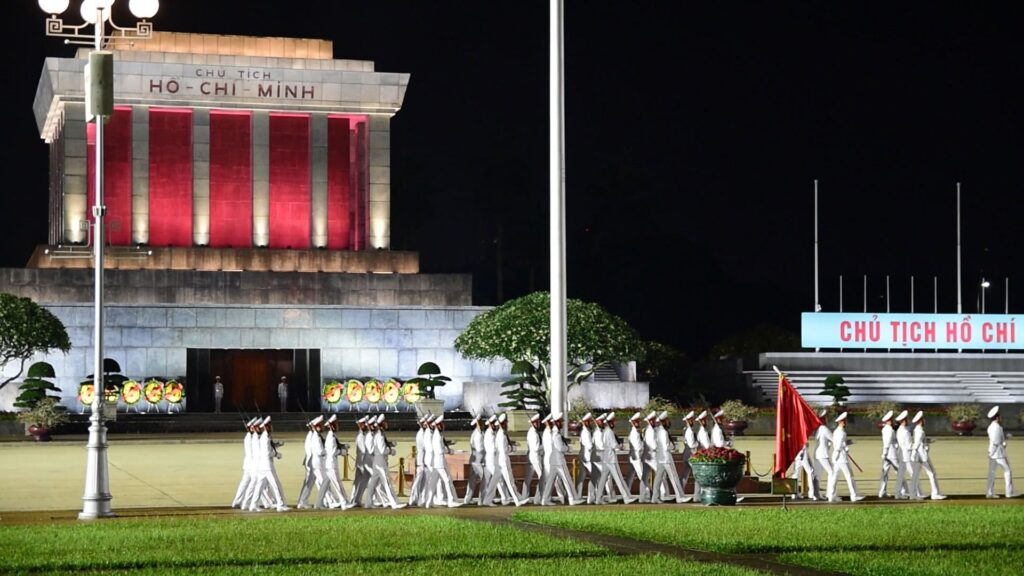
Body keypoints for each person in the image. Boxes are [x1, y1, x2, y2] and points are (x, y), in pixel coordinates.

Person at [247, 416, 289, 512]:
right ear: (267, 427)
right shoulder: (265, 437)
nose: (271, 427)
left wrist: (277, 445)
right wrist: (277, 454)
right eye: (270, 425)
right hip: (267, 465)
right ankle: (281, 504)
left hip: (263, 465)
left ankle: (253, 505)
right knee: (276, 485)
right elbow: (267, 453)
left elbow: (269, 448)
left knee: (260, 485)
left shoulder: (265, 437)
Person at [363, 414, 405, 509]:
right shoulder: (380, 435)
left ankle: (368, 503)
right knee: (387, 483)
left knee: (373, 483)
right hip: (380, 461)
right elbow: (382, 450)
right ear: (381, 424)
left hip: (377, 462)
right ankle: (394, 503)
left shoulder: (379, 434)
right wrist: (391, 451)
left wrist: (390, 444)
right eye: (384, 422)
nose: (386, 424)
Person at [540, 413, 581, 505]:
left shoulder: (553, 433)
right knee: (567, 479)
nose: (562, 423)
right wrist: (568, 448)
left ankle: (545, 499)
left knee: (551, 480)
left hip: (553, 460)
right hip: (558, 460)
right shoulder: (556, 434)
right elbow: (560, 448)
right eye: (561, 422)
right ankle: (572, 498)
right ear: (557, 423)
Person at [596, 412, 638, 504]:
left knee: (603, 480)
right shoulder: (609, 432)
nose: (615, 424)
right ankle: (626, 498)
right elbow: (614, 445)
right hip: (611, 459)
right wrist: (620, 446)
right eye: (614, 422)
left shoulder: (605, 432)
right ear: (610, 422)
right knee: (619, 479)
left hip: (606, 458)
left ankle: (598, 499)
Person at [826, 412, 864, 503]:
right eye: (843, 421)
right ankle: (854, 496)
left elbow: (840, 443)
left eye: (844, 421)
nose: (845, 423)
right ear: (839, 422)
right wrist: (843, 449)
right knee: (849, 476)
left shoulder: (837, 431)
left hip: (837, 457)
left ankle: (831, 496)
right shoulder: (840, 432)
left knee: (835, 477)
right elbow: (838, 445)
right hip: (841, 458)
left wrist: (849, 443)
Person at [652, 410, 688, 503]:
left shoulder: (658, 430)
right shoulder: (663, 432)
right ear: (663, 421)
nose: (668, 422)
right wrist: (673, 446)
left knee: (658, 478)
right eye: (667, 420)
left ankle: (654, 498)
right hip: (666, 458)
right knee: (674, 477)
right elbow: (666, 446)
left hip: (660, 458)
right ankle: (680, 497)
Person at [909, 411, 946, 500]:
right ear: (920, 421)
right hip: (922, 456)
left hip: (920, 455)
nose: (924, 421)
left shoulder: (918, 430)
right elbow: (917, 443)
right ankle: (935, 493)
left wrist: (928, 441)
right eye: (923, 419)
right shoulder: (919, 431)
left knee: (917, 474)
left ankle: (916, 493)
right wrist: (913, 453)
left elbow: (920, 441)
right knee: (931, 474)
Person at [986, 406, 1018, 499]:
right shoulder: (996, 427)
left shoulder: (994, 426)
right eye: (1000, 417)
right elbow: (996, 442)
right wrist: (992, 453)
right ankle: (1009, 492)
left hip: (994, 453)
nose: (1001, 418)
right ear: (997, 417)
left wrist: (1005, 439)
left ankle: (989, 493)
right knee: (1007, 471)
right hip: (998, 454)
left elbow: (999, 440)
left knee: (991, 473)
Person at [297, 415, 325, 509]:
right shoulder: (312, 436)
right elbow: (311, 451)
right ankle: (326, 501)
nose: (322, 426)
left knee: (309, 483)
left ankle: (302, 501)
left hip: (312, 462)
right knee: (321, 481)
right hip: (312, 462)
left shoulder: (313, 434)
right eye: (320, 424)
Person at [622, 412, 650, 502]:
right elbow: (638, 447)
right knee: (642, 475)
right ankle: (647, 494)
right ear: (633, 423)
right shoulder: (634, 433)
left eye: (639, 422)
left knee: (630, 477)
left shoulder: (636, 432)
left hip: (633, 457)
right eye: (637, 422)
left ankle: (626, 494)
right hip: (637, 457)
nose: (639, 424)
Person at [230, 418, 258, 508]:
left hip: (248, 464)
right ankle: (248, 503)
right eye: (254, 427)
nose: (256, 429)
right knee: (257, 482)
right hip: (252, 464)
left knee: (246, 483)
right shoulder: (252, 437)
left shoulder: (249, 436)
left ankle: (237, 501)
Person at [877, 410, 904, 499]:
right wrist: (885, 452)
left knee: (884, 473)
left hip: (888, 453)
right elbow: (887, 442)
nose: (892, 421)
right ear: (889, 420)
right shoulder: (889, 430)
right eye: (891, 419)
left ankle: (882, 492)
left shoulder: (886, 429)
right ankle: (902, 492)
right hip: (891, 453)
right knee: (899, 472)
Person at [519, 413, 545, 504]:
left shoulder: (533, 431)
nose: (538, 424)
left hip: (532, 456)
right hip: (535, 457)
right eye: (536, 422)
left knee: (528, 478)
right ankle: (538, 499)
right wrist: (545, 445)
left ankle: (524, 497)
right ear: (533, 423)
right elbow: (536, 448)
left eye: (538, 422)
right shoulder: (533, 433)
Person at [464, 415, 487, 505]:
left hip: (476, 460)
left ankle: (467, 499)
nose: (482, 423)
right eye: (480, 422)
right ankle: (482, 500)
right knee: (485, 479)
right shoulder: (477, 435)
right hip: (477, 461)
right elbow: (479, 448)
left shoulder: (480, 433)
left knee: (472, 480)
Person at [408, 415, 430, 506]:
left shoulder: (425, 433)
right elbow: (426, 447)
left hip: (424, 461)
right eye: (424, 423)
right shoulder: (421, 434)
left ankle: (421, 500)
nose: (426, 424)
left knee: (424, 481)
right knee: (417, 480)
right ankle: (412, 499)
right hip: (421, 461)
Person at [895, 410, 918, 499]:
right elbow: (906, 445)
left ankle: (901, 493)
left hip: (904, 454)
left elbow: (911, 426)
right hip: (906, 454)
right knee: (913, 473)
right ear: (902, 421)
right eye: (905, 420)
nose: (906, 421)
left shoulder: (904, 429)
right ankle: (916, 493)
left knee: (902, 474)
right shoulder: (903, 431)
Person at [575, 412, 595, 502]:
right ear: (585, 422)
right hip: (588, 458)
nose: (590, 423)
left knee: (581, 477)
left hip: (584, 457)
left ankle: (578, 495)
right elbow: (590, 446)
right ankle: (591, 497)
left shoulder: (586, 431)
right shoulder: (586, 433)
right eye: (589, 422)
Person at [813, 409, 833, 495]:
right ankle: (830, 493)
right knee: (832, 472)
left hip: (817, 454)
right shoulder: (824, 429)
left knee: (817, 475)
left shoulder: (818, 429)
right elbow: (834, 439)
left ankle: (814, 493)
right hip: (823, 454)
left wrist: (829, 444)